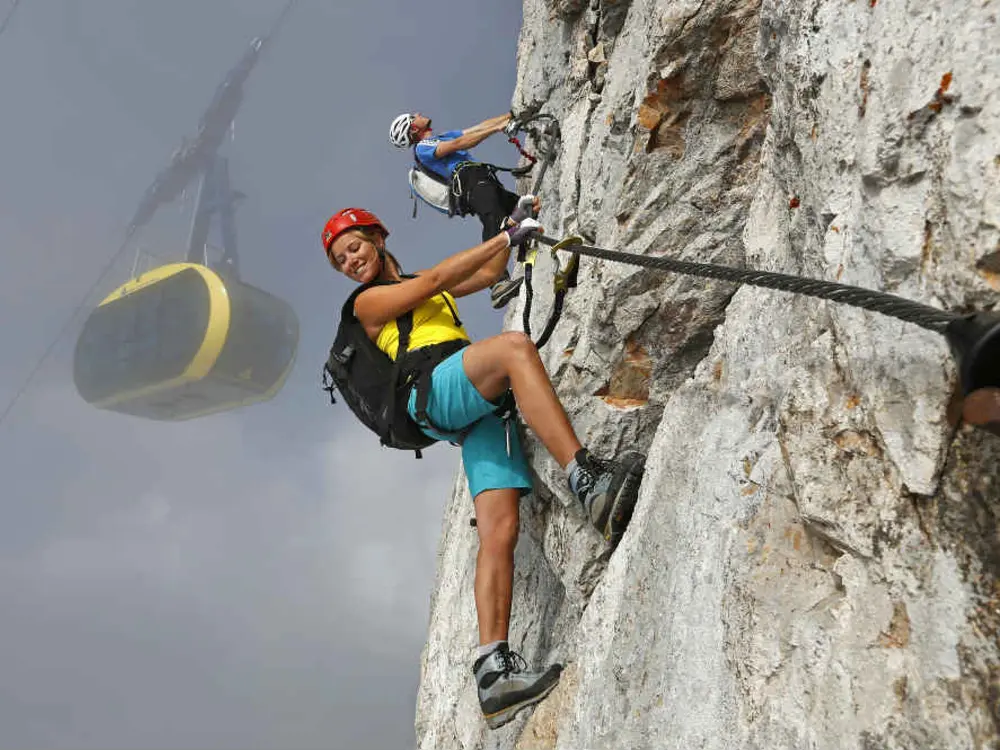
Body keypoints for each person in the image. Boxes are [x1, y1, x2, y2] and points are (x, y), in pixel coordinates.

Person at [320, 205, 646, 730]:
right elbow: (437, 277)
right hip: (431, 391)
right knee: (514, 349)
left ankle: (494, 671)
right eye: (339, 259)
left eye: (353, 247)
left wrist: (506, 232)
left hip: (466, 407)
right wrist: (507, 236)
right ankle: (587, 478)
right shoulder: (367, 303)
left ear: (378, 238)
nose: (349, 262)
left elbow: (488, 275)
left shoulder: (411, 289)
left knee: (499, 528)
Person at [388, 110, 529, 309]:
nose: (418, 114)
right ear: (413, 127)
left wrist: (511, 115)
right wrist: (497, 128)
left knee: (522, 208)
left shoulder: (440, 138)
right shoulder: (422, 147)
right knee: (493, 218)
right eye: (414, 116)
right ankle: (497, 283)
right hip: (469, 180)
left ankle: (525, 242)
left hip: (479, 177)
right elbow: (458, 144)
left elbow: (477, 128)